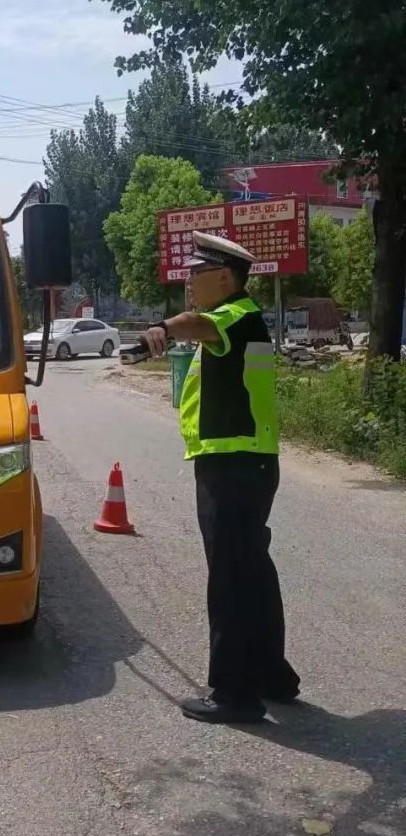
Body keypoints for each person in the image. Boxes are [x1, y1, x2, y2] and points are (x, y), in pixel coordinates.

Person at [139, 231, 298, 723]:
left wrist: (162, 328)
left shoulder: (234, 315)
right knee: (252, 572)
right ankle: (273, 675)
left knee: (230, 579)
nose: (187, 281)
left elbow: (194, 324)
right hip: (244, 464)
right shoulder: (239, 320)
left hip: (232, 467)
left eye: (195, 273)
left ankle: (235, 694)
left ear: (225, 277)